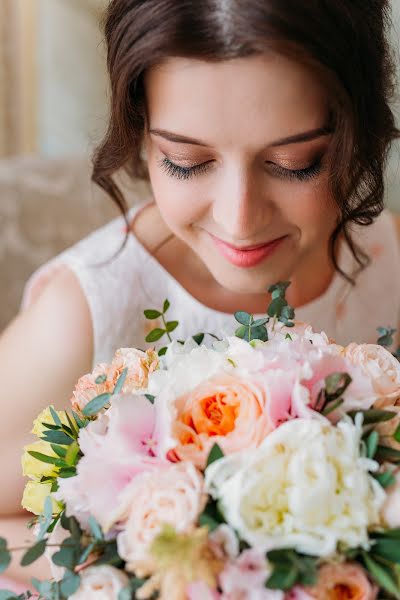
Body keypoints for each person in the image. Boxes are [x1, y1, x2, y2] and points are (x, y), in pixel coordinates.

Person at [1, 0, 399, 588]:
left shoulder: (387, 261)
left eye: (294, 163)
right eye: (187, 163)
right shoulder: (83, 314)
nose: (239, 221)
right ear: (141, 136)